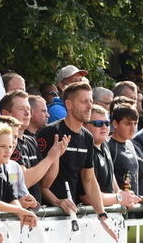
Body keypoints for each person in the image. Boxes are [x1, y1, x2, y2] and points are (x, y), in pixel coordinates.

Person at [36, 81, 111, 223]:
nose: (90, 106)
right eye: (84, 102)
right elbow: (39, 181)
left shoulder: (87, 136)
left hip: (72, 212)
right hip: (47, 214)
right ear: (69, 105)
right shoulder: (51, 132)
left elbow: (89, 180)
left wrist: (102, 214)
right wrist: (57, 201)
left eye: (91, 101)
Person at [0, 122, 39, 227]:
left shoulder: (5, 166)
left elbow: (11, 197)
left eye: (10, 146)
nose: (8, 151)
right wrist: (19, 210)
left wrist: (21, 213)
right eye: (3, 146)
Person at [0, 90, 52, 205]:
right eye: (21, 109)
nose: (27, 113)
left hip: (35, 212)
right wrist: (50, 158)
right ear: (6, 114)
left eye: (29, 109)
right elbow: (24, 181)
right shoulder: (6, 145)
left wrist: (56, 155)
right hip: (14, 214)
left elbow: (45, 183)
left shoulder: (31, 140)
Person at [86, 105, 138, 208]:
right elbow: (87, 197)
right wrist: (118, 198)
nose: (104, 127)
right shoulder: (86, 150)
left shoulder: (105, 145)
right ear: (84, 125)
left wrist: (132, 198)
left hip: (111, 213)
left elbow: (113, 181)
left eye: (106, 123)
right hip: (91, 216)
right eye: (98, 124)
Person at [107, 106, 143, 204]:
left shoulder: (130, 144)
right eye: (127, 124)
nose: (133, 128)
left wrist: (139, 198)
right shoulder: (107, 146)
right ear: (115, 123)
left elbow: (130, 180)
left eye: (135, 123)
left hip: (132, 209)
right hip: (116, 209)